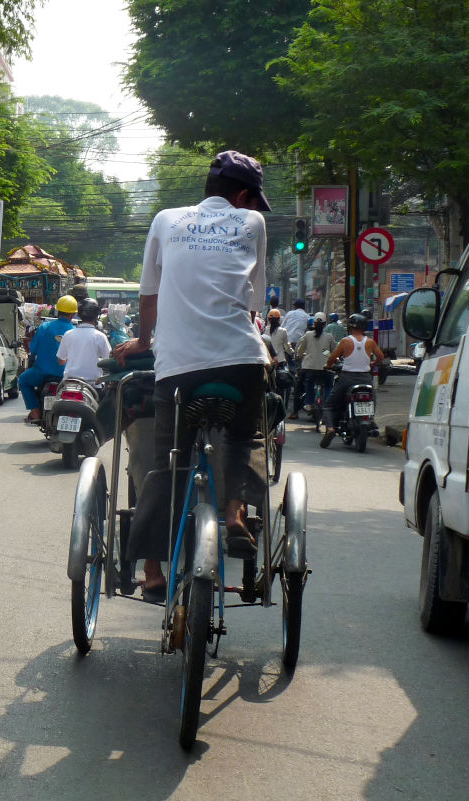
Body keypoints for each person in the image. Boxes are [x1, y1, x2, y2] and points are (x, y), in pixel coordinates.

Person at [114, 149, 271, 596]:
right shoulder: (253, 224)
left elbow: (149, 297)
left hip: (178, 368)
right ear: (243, 195)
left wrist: (144, 343)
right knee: (244, 437)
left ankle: (151, 568)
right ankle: (236, 512)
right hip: (241, 361)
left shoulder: (166, 219)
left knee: (169, 462)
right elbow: (253, 303)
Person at [320, 313, 385, 447]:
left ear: (350, 326)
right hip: (366, 378)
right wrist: (372, 364)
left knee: (330, 405)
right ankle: (370, 419)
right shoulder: (370, 342)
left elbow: (332, 357)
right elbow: (380, 356)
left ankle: (331, 428)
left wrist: (328, 365)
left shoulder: (346, 341)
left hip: (347, 378)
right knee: (372, 401)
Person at [19, 295, 77, 424]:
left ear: (57, 311)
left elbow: (33, 350)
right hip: (66, 376)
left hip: (41, 373)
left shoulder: (44, 327)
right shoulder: (74, 331)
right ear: (73, 314)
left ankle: (35, 412)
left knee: (23, 380)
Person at [290, 311, 335, 419]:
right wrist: (327, 355)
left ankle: (309, 403)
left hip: (309, 368)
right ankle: (327, 404)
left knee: (308, 384)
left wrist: (301, 356)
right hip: (325, 369)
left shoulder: (308, 335)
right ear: (325, 324)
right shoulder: (329, 337)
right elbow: (331, 352)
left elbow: (300, 351)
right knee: (329, 385)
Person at [57, 298, 111, 380]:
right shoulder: (100, 336)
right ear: (96, 316)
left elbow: (61, 361)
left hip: (69, 382)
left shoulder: (68, 334)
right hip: (93, 384)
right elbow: (107, 361)